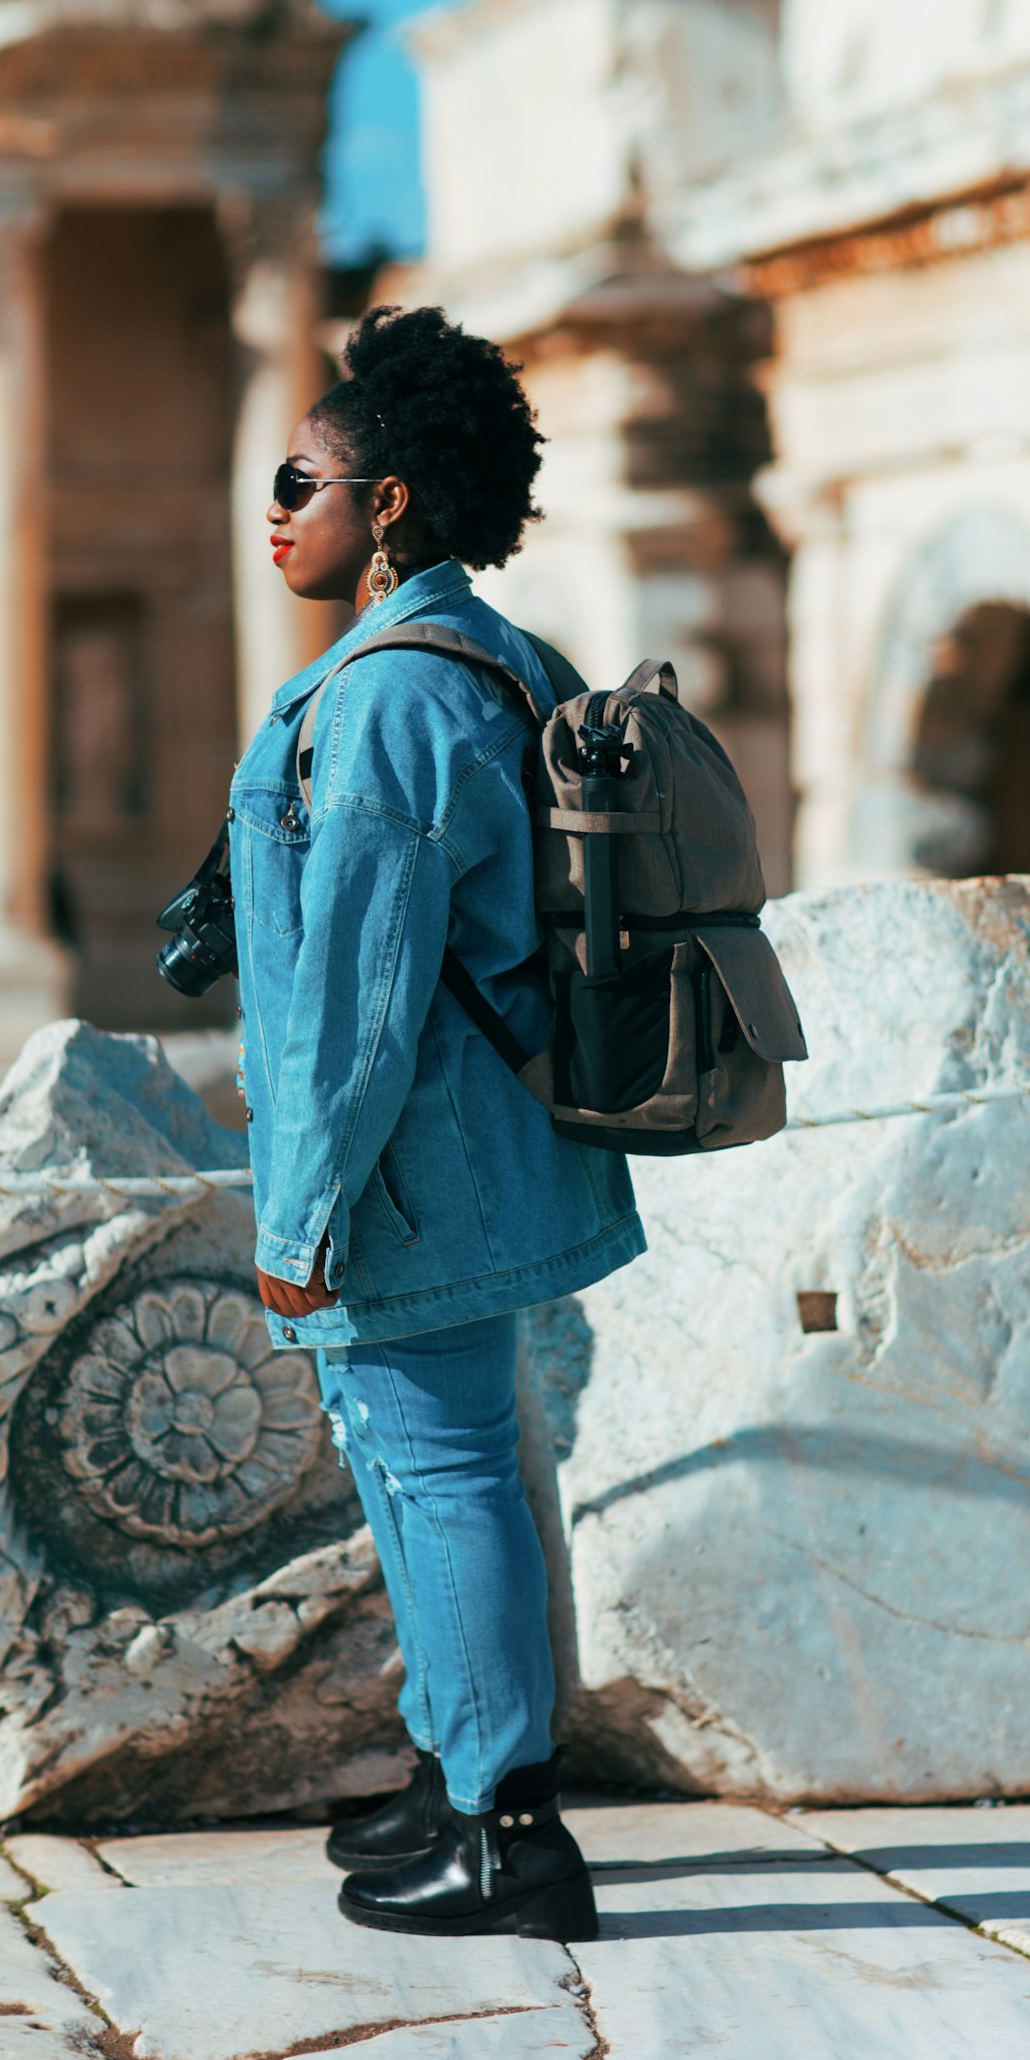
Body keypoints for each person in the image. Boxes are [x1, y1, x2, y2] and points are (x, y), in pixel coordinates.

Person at [236, 305, 641, 1943]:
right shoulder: (496, 654)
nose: (275, 511)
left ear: (388, 501)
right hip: (488, 1146)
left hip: (415, 1171)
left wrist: (298, 1217)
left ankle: (512, 1831)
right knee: (420, 1467)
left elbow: (362, 992)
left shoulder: (395, 696)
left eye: (301, 479)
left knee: (446, 1466)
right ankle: (453, 1768)